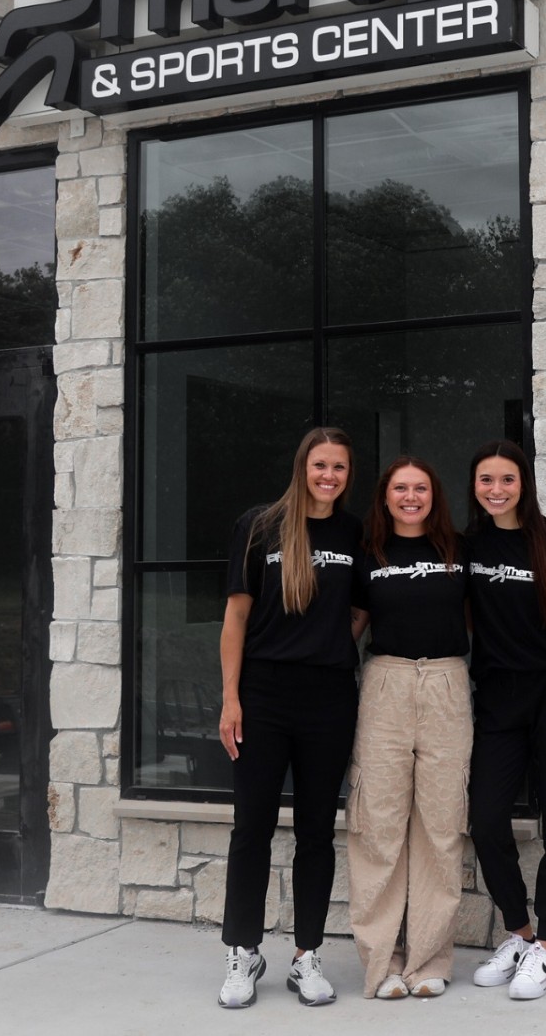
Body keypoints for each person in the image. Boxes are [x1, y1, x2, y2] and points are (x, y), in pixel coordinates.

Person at [216, 427, 364, 1010]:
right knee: (251, 826)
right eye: (320, 465)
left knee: (316, 833)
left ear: (349, 475)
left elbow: (359, 610)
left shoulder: (354, 533)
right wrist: (231, 698)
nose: (329, 476)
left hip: (329, 698)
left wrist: (328, 642)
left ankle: (307, 956)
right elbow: (235, 617)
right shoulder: (259, 526)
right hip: (264, 696)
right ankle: (243, 951)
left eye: (339, 467)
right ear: (303, 466)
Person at [463, 440, 546, 1001]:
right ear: (474, 485)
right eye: (486, 480)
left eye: (507, 480)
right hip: (497, 698)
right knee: (487, 819)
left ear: (524, 484)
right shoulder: (468, 546)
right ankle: (519, 933)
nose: (496, 490)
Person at [346, 457, 473, 1001]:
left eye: (421, 488)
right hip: (386, 683)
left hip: (446, 682)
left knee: (441, 826)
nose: (411, 496)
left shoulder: (458, 551)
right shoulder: (368, 553)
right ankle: (382, 964)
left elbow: (480, 617)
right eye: (400, 488)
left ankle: (428, 961)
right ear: (385, 496)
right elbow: (352, 624)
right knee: (378, 825)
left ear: (434, 495)